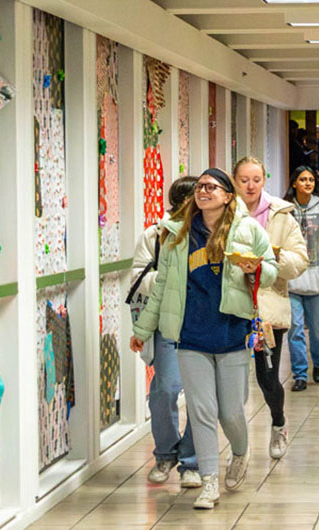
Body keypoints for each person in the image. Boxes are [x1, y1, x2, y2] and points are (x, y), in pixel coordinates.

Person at [130, 168, 278, 510]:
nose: (203, 191)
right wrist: (142, 331)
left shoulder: (247, 230)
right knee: (201, 410)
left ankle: (240, 452)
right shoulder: (178, 235)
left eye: (211, 187)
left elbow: (270, 273)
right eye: (200, 187)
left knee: (229, 413)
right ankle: (209, 481)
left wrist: (255, 268)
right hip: (190, 336)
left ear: (228, 195)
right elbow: (162, 287)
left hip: (230, 333)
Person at [232, 156, 308, 460]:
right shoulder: (225, 213)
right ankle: (237, 445)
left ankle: (278, 422)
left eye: (256, 179)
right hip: (232, 308)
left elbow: (300, 261)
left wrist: (271, 261)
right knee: (232, 383)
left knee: (267, 378)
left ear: (265, 180)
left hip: (269, 310)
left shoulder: (282, 216)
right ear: (234, 181)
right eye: (244, 180)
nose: (250, 186)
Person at [130, 175, 200, 488]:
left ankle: (191, 460)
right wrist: (171, 281)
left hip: (202, 324)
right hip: (166, 322)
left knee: (202, 395)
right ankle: (165, 453)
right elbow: (138, 278)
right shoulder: (155, 235)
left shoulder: (211, 232)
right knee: (166, 389)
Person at [283, 166, 319, 390]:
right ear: (294, 183)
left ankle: (318, 361)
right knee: (295, 328)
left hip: (316, 279)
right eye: (302, 179)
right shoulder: (285, 209)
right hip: (291, 280)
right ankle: (299, 373)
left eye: (311, 179)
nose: (307, 183)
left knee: (317, 329)